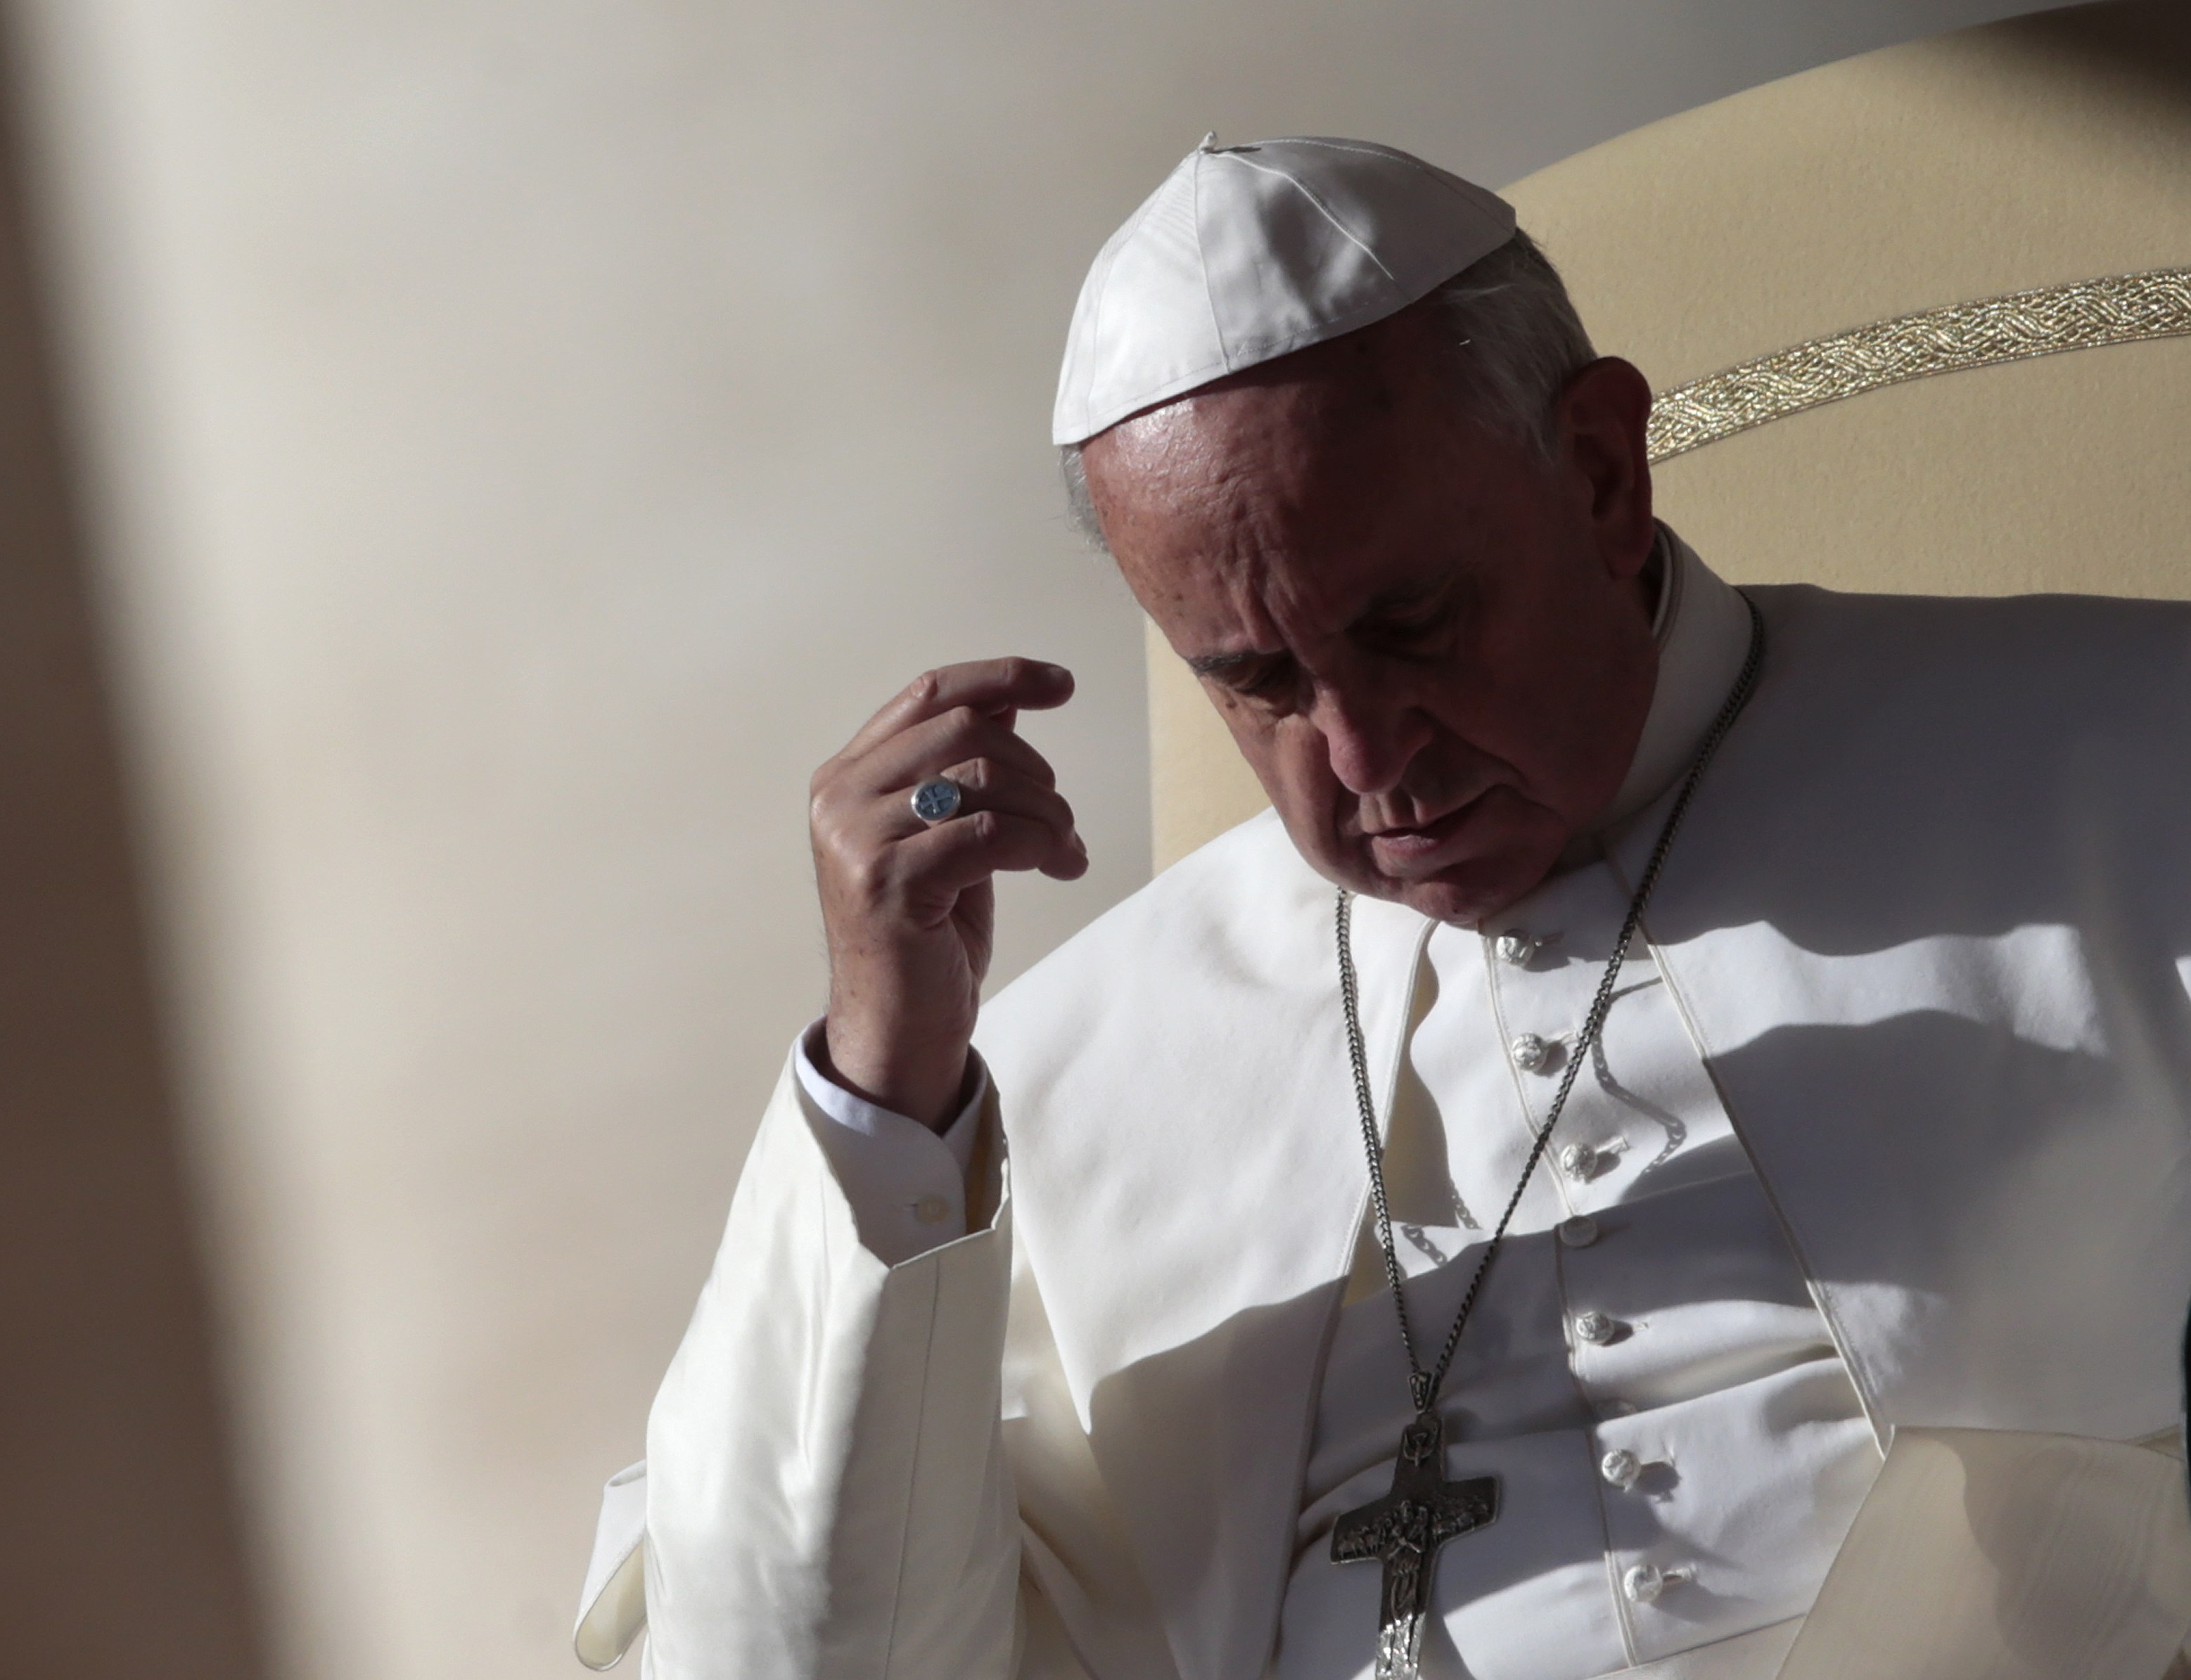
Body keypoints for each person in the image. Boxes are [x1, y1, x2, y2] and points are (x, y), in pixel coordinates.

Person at [574, 137, 2191, 1679]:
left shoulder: (2134, 761)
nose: (1363, 755)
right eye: (1257, 682)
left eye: (1411, 621)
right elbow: (809, 1656)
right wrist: (884, 1082)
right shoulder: (1078, 1067)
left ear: (1600, 470)